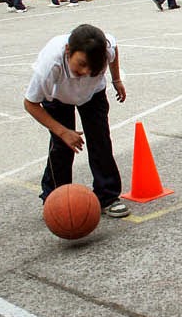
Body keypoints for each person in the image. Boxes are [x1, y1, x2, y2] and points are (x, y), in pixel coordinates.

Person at [24, 24, 130, 218]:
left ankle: (108, 196)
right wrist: (63, 131)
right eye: (81, 64)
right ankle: (56, 197)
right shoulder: (50, 65)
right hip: (57, 97)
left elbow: (114, 49)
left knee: (100, 141)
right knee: (62, 146)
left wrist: (116, 80)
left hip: (93, 95)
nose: (87, 71)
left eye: (93, 67)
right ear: (68, 51)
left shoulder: (104, 48)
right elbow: (30, 104)